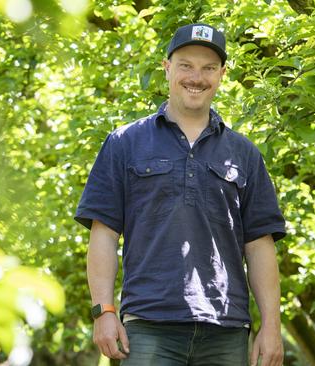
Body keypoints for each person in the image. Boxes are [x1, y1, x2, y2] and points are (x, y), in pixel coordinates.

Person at [75, 23, 286, 366]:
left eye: (208, 68)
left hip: (227, 327)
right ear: (167, 67)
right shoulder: (125, 143)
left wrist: (272, 327)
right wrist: (103, 310)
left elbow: (260, 246)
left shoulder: (245, 154)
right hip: (148, 326)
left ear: (221, 74)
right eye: (186, 65)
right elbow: (104, 234)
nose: (196, 77)